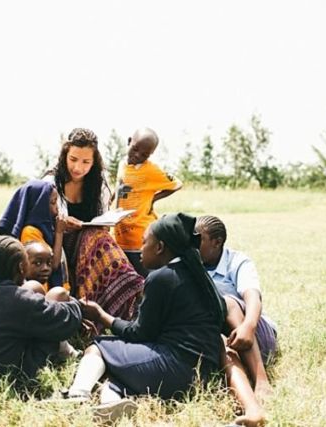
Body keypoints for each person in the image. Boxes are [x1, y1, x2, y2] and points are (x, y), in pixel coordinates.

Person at [63, 213, 227, 423]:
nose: (140, 250)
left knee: (99, 346)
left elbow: (139, 333)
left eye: (144, 243)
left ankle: (78, 394)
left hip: (174, 367)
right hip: (201, 375)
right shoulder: (200, 276)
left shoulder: (162, 278)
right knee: (119, 371)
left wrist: (101, 315)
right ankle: (109, 405)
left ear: (159, 247)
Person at [0, 235, 82, 389]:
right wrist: (77, 305)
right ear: (22, 268)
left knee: (34, 289)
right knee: (57, 296)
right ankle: (69, 354)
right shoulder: (18, 300)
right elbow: (65, 321)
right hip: (5, 380)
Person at [44, 128, 144, 322]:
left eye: (85, 162)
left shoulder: (99, 182)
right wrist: (62, 225)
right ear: (65, 154)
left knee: (99, 237)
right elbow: (43, 223)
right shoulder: (51, 181)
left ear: (94, 161)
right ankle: (133, 293)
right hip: (59, 243)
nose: (78, 167)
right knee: (97, 239)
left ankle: (133, 293)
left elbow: (103, 222)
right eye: (73, 159)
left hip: (92, 240)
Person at [196, 215, 279, 427]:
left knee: (227, 303)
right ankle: (247, 403)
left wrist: (248, 327)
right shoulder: (194, 265)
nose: (194, 245)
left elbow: (253, 297)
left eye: (199, 240)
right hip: (229, 339)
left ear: (217, 242)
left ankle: (261, 379)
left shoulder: (237, 261)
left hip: (256, 336)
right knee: (219, 343)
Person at [114, 127, 183, 277]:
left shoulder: (151, 170)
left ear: (151, 155)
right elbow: (121, 189)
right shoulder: (122, 165)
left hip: (141, 238)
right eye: (135, 149)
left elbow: (177, 184)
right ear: (129, 141)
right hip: (121, 237)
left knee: (146, 281)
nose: (137, 155)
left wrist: (154, 198)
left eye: (144, 155)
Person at [0, 179, 69, 290]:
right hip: (41, 290)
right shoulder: (30, 231)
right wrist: (59, 233)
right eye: (53, 202)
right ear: (39, 206)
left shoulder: (45, 227)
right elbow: (53, 264)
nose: (57, 208)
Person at [22, 240, 80, 360]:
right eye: (37, 263)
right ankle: (66, 352)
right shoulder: (28, 288)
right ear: (22, 265)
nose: (45, 268)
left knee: (59, 295)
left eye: (49, 263)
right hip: (25, 352)